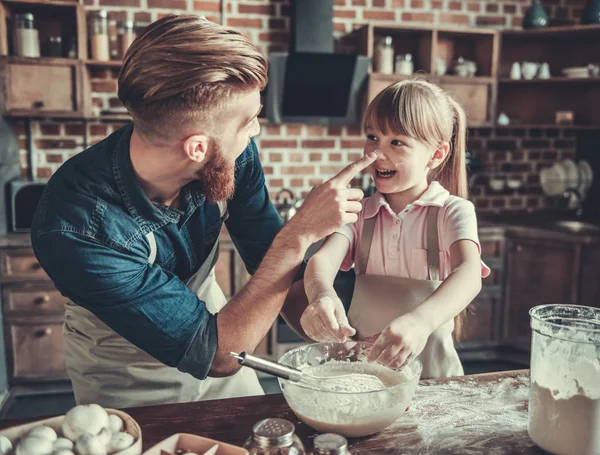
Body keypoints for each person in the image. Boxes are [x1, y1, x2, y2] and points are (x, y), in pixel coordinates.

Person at [30, 14, 376, 408]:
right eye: (249, 122)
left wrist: (327, 327)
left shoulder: (229, 154)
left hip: (223, 329)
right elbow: (216, 354)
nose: (256, 132)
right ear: (197, 148)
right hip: (128, 373)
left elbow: (271, 256)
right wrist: (301, 233)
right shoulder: (77, 227)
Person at [299, 79, 490, 379]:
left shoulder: (452, 212)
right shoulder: (359, 212)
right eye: (373, 137)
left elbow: (469, 275)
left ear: (436, 155)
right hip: (366, 376)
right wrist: (321, 295)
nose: (377, 153)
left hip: (432, 377)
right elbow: (321, 261)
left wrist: (420, 323)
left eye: (396, 142)